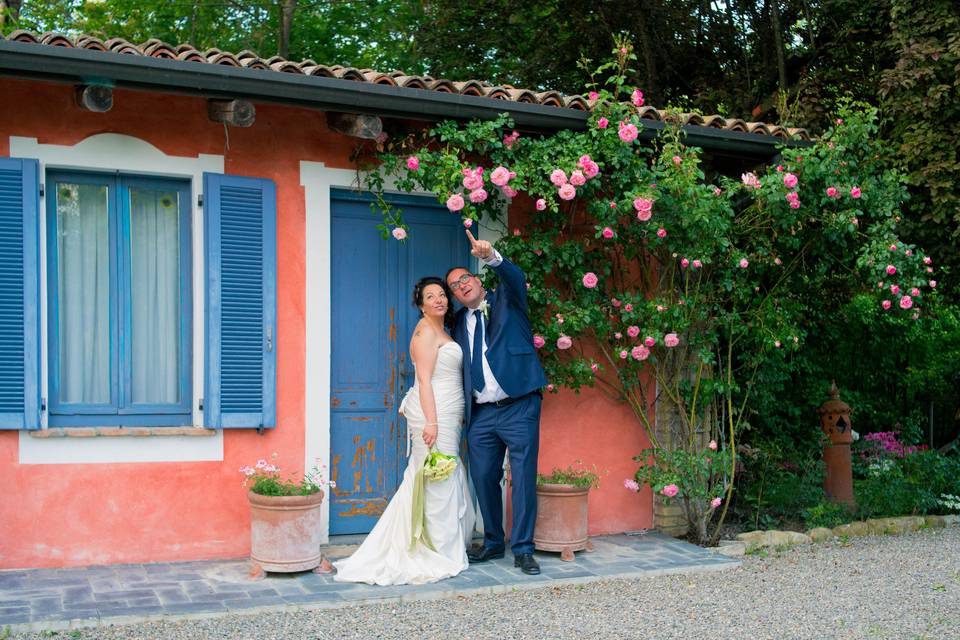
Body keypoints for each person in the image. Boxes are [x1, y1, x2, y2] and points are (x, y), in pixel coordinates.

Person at [333, 277, 475, 585]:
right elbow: (424, 380)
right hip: (432, 410)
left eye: (442, 295)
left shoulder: (443, 330)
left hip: (449, 409)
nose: (439, 300)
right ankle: (431, 547)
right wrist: (431, 421)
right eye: (430, 296)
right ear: (420, 304)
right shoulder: (424, 331)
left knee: (444, 472)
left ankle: (442, 545)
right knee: (435, 474)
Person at [446, 230, 548, 576]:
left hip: (519, 405)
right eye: (455, 286)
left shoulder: (508, 298)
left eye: (464, 279)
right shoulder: (459, 321)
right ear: (455, 297)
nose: (461, 286)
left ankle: (522, 549)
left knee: (521, 476)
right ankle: (492, 541)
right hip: (482, 414)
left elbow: (515, 276)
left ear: (476, 279)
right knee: (484, 477)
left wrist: (492, 256)